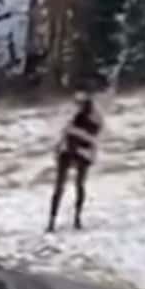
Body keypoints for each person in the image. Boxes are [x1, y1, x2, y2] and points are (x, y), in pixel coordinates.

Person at [47, 91, 104, 233]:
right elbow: (65, 133)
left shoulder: (95, 118)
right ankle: (53, 221)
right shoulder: (74, 114)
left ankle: (74, 219)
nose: (79, 106)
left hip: (80, 152)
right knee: (63, 187)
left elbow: (91, 137)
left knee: (76, 185)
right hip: (69, 150)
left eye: (82, 104)